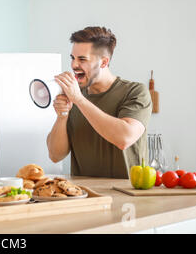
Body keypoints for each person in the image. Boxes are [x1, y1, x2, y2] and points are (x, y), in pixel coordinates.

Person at [46, 26, 152, 179]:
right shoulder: (74, 95)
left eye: (82, 59)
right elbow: (55, 155)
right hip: (84, 195)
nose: (74, 65)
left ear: (103, 62)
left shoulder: (135, 91)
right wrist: (62, 116)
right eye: (72, 58)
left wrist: (79, 99)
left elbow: (124, 138)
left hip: (127, 195)